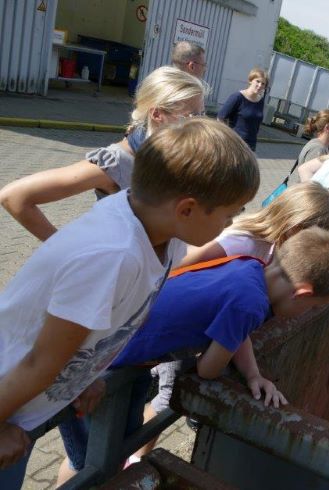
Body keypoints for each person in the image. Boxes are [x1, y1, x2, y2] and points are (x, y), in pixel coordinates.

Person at [0, 119, 260, 488]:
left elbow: (84, 334)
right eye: (229, 213)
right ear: (186, 209)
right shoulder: (114, 254)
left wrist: (79, 378)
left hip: (21, 404)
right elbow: (40, 360)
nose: (234, 222)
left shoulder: (163, 237)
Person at [56, 226, 329, 472]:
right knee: (87, 462)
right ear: (302, 294)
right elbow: (208, 369)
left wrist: (253, 374)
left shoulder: (250, 267)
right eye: (313, 307)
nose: (306, 313)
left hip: (120, 349)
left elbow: (236, 332)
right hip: (98, 361)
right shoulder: (251, 305)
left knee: (121, 439)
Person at [0, 67, 207, 241]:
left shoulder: (170, 155)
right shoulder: (117, 162)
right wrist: (65, 250)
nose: (201, 124)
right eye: (192, 116)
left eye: (203, 114)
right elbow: (15, 197)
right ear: (157, 114)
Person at [179, 181, 329, 266]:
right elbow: (181, 264)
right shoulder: (243, 244)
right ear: (295, 228)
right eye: (314, 238)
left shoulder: (275, 246)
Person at [217, 67, 268, 151]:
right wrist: (227, 137)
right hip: (235, 144)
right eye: (257, 81)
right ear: (250, 80)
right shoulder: (237, 97)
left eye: (263, 84)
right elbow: (220, 117)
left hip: (250, 145)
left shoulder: (260, 101)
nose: (260, 85)